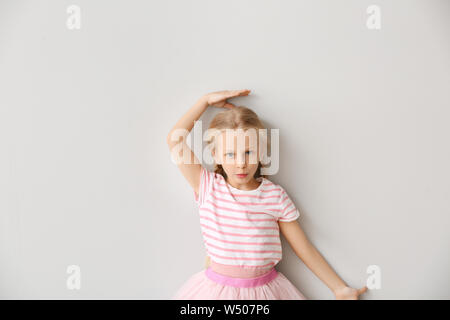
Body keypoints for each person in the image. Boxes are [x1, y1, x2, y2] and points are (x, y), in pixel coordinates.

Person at [166, 89, 368, 300]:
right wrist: (204, 101)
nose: (240, 163)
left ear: (261, 152)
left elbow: (304, 248)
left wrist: (339, 288)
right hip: (216, 292)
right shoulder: (208, 186)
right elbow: (175, 140)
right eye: (230, 154)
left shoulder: (274, 196)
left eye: (248, 152)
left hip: (265, 292)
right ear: (215, 155)